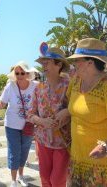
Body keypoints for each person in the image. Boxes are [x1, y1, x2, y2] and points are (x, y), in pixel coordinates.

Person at [0, 61, 37, 187]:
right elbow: (2, 104)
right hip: (11, 125)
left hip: (28, 125)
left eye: (22, 73)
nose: (19, 75)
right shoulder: (10, 86)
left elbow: (41, 102)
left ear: (27, 73)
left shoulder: (36, 86)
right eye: (17, 73)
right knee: (14, 151)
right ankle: (13, 180)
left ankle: (21, 176)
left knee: (24, 151)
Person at [66, 38, 107, 186]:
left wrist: (106, 147)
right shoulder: (76, 81)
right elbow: (73, 108)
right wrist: (62, 114)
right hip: (76, 162)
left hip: (101, 168)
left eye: (78, 60)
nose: (74, 64)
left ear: (90, 62)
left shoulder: (106, 86)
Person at [27, 47, 70, 187]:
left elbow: (76, 108)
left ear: (59, 65)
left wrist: (66, 113)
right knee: (45, 179)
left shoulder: (69, 86)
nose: (43, 66)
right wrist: (42, 121)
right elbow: (29, 114)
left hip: (63, 143)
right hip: (42, 140)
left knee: (57, 181)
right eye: (42, 63)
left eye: (47, 63)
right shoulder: (38, 88)